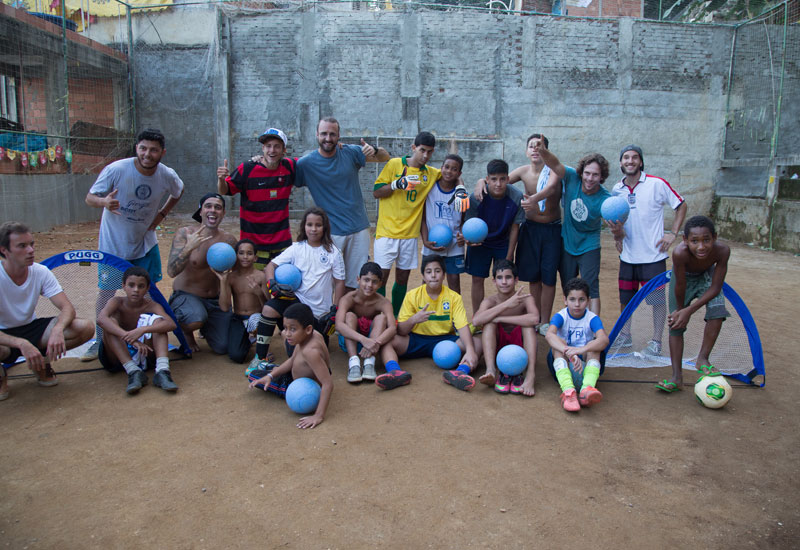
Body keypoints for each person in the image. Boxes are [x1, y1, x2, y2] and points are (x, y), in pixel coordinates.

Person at [82, 128, 184, 361]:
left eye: (154, 150)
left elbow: (179, 191)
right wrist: (104, 201)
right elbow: (90, 198)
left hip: (144, 244)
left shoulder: (166, 175)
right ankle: (100, 341)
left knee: (151, 291)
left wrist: (161, 215)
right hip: (113, 245)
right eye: (143, 148)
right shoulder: (117, 169)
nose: (148, 154)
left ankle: (148, 336)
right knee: (107, 292)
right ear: (137, 148)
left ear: (162, 152)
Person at [373, 132, 469, 316]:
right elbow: (376, 192)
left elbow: (453, 175)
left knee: (402, 279)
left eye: (430, 152)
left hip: (410, 236)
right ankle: (378, 317)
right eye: (422, 150)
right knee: (380, 279)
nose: (425, 156)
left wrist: (462, 185)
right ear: (414, 148)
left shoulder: (430, 173)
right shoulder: (395, 164)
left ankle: (395, 317)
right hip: (387, 233)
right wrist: (396, 184)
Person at [0, 222, 94, 400]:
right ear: (4, 250)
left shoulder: (40, 271)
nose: (30, 250)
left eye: (31, 244)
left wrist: (58, 330)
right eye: (22, 246)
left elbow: (67, 307)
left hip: (31, 327)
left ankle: (41, 363)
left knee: (85, 327)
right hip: (3, 335)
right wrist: (21, 343)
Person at [608, 145, 687, 356]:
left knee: (657, 301)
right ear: (621, 162)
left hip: (653, 256)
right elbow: (619, 224)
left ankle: (656, 341)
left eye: (634, 158)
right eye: (626, 158)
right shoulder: (617, 190)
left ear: (641, 162)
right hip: (628, 256)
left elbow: (681, 205)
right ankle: (625, 336)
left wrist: (673, 233)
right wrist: (617, 236)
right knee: (626, 300)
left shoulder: (656, 184)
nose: (630, 161)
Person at [294, 117, 390, 291]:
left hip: (358, 228)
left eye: (332, 134)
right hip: (331, 232)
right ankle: (329, 317)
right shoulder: (305, 164)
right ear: (317, 135)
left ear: (339, 136)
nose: (328, 138)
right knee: (327, 281)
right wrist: (258, 159)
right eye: (324, 134)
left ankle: (349, 316)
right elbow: (281, 174)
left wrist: (374, 149)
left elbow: (385, 156)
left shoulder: (350, 152)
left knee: (354, 282)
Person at [250, 207, 345, 370]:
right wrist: (272, 283)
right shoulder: (296, 248)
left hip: (318, 313)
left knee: (301, 356)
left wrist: (335, 310)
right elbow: (270, 266)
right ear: (304, 227)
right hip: (296, 302)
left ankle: (290, 332)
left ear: (325, 228)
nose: (313, 229)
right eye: (309, 224)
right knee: (268, 309)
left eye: (318, 225)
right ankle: (260, 358)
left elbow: (340, 282)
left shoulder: (333, 252)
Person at [375, 255, 481, 392]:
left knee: (477, 343)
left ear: (444, 275)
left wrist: (471, 351)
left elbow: (462, 327)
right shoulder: (412, 295)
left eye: (437, 271)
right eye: (429, 272)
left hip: (445, 341)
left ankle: (461, 372)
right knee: (388, 340)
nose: (433, 275)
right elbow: (400, 330)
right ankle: (395, 372)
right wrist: (414, 319)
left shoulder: (454, 297)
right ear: (423, 276)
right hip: (416, 339)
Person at [657, 215, 731, 393]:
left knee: (718, 311)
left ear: (714, 237)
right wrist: (681, 311)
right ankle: (677, 377)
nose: (701, 246)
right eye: (694, 241)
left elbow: (715, 288)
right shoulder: (680, 253)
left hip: (706, 278)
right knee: (675, 323)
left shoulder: (722, 251)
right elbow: (681, 286)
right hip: (683, 281)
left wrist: (689, 311)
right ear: (685, 240)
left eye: (706, 240)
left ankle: (702, 359)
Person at [217, 128, 297, 270]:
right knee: (255, 288)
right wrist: (221, 179)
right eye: (268, 146)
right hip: (253, 246)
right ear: (263, 148)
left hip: (282, 244)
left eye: (277, 146)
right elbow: (225, 190)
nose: (272, 150)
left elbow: (316, 159)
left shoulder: (290, 167)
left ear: (284, 150)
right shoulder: (247, 169)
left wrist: (339, 148)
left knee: (285, 287)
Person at [167, 193, 237, 353]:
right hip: (186, 296)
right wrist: (188, 248)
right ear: (200, 211)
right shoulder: (185, 234)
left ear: (223, 213)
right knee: (196, 318)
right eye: (208, 206)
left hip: (214, 301)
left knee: (223, 347)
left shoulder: (229, 241)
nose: (213, 210)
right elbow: (171, 271)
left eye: (218, 207)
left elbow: (235, 275)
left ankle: (207, 327)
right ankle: (186, 330)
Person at [249, 303, 333, 429]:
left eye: (293, 329)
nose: (287, 333)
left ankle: (270, 370)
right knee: (269, 372)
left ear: (308, 329)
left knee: (253, 375)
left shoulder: (310, 351)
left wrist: (318, 415)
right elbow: (293, 359)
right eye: (285, 328)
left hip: (297, 387)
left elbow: (328, 384)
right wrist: (271, 376)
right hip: (302, 372)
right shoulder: (312, 335)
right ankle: (271, 370)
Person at [96, 266, 179, 395]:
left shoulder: (152, 305)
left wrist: (143, 330)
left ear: (147, 289)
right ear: (123, 285)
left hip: (144, 353)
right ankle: (133, 372)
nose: (136, 290)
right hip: (117, 356)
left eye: (141, 286)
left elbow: (171, 324)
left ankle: (163, 371)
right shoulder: (116, 302)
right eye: (131, 285)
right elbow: (101, 319)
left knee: (159, 322)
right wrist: (131, 339)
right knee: (110, 323)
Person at [464, 159, 525, 314]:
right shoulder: (476, 197)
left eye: (502, 179)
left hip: (503, 243)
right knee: (477, 279)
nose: (498, 184)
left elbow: (514, 228)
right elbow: (469, 226)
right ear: (487, 179)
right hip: (481, 244)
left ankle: (505, 316)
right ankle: (478, 318)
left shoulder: (517, 197)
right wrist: (469, 242)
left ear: (508, 179)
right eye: (494, 179)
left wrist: (510, 255)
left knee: (505, 280)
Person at [555, 152, 612, 314]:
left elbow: (616, 221)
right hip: (568, 241)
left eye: (595, 175)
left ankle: (594, 329)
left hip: (589, 244)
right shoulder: (572, 177)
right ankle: (570, 324)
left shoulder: (605, 199)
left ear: (602, 177)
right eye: (587, 173)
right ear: (581, 172)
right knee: (568, 285)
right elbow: (555, 164)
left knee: (591, 287)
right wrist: (543, 151)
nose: (590, 178)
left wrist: (618, 231)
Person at [472, 260, 538, 396]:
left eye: (508, 277)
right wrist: (507, 304)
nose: (504, 282)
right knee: (489, 324)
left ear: (516, 280)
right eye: (500, 278)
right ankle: (490, 370)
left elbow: (535, 319)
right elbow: (476, 321)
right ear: (494, 281)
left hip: (520, 346)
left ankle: (531, 374)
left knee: (528, 327)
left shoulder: (525, 298)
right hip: (497, 344)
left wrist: (501, 318)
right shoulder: (490, 301)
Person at [545, 278, 609, 412]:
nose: (577, 304)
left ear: (588, 301)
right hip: (564, 360)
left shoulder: (592, 318)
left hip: (584, 356)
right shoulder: (561, 316)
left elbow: (604, 340)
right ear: (565, 300)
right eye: (572, 299)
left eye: (582, 300)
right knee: (558, 344)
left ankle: (587, 389)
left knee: (594, 345)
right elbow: (549, 335)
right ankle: (568, 391)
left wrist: (580, 350)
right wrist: (568, 351)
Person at [336, 262, 397, 384]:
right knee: (349, 316)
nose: (369, 285)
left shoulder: (383, 302)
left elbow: (392, 328)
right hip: (351, 342)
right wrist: (363, 340)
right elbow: (339, 325)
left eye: (374, 282)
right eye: (366, 280)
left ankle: (369, 363)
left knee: (381, 319)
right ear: (358, 280)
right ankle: (354, 363)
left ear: (380, 284)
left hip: (373, 344)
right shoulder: (348, 299)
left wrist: (375, 343)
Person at [420, 154, 467, 293]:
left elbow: (463, 220)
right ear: (441, 168)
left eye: (454, 169)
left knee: (454, 282)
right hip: (432, 243)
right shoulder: (429, 189)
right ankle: (425, 312)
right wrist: (425, 240)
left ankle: (455, 314)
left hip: (454, 245)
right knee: (427, 281)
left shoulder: (461, 195)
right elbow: (422, 218)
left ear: (459, 173)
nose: (449, 171)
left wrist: (462, 235)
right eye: (446, 167)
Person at [217, 239, 267, 364]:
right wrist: (223, 282)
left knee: (255, 322)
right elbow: (224, 307)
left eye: (249, 253)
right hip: (238, 318)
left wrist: (259, 293)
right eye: (241, 253)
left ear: (255, 258)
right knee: (236, 356)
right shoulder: (231, 277)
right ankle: (249, 342)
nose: (245, 257)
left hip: (257, 317)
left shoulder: (261, 276)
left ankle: (259, 344)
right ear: (236, 256)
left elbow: (268, 307)